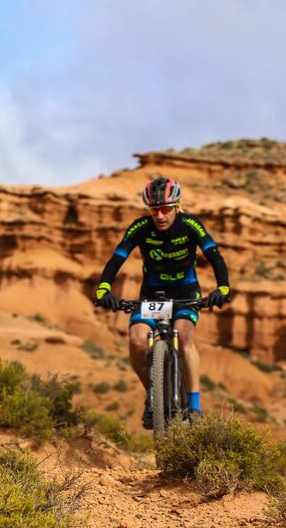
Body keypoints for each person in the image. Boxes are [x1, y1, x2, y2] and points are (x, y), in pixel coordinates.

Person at [94, 176, 230, 427]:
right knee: (137, 341)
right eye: (153, 209)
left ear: (177, 206)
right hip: (152, 294)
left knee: (184, 336)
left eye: (165, 208)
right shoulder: (140, 228)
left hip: (185, 293)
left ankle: (194, 406)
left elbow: (215, 256)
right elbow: (117, 258)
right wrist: (104, 289)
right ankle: (154, 397)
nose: (159, 215)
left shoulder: (191, 225)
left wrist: (222, 288)